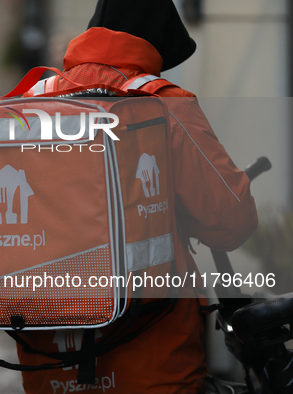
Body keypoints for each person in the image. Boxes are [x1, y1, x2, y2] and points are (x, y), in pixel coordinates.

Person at [14, 1, 258, 393]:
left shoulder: (30, 102)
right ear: (156, 46)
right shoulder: (164, 102)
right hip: (152, 358)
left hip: (51, 359)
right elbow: (231, 222)